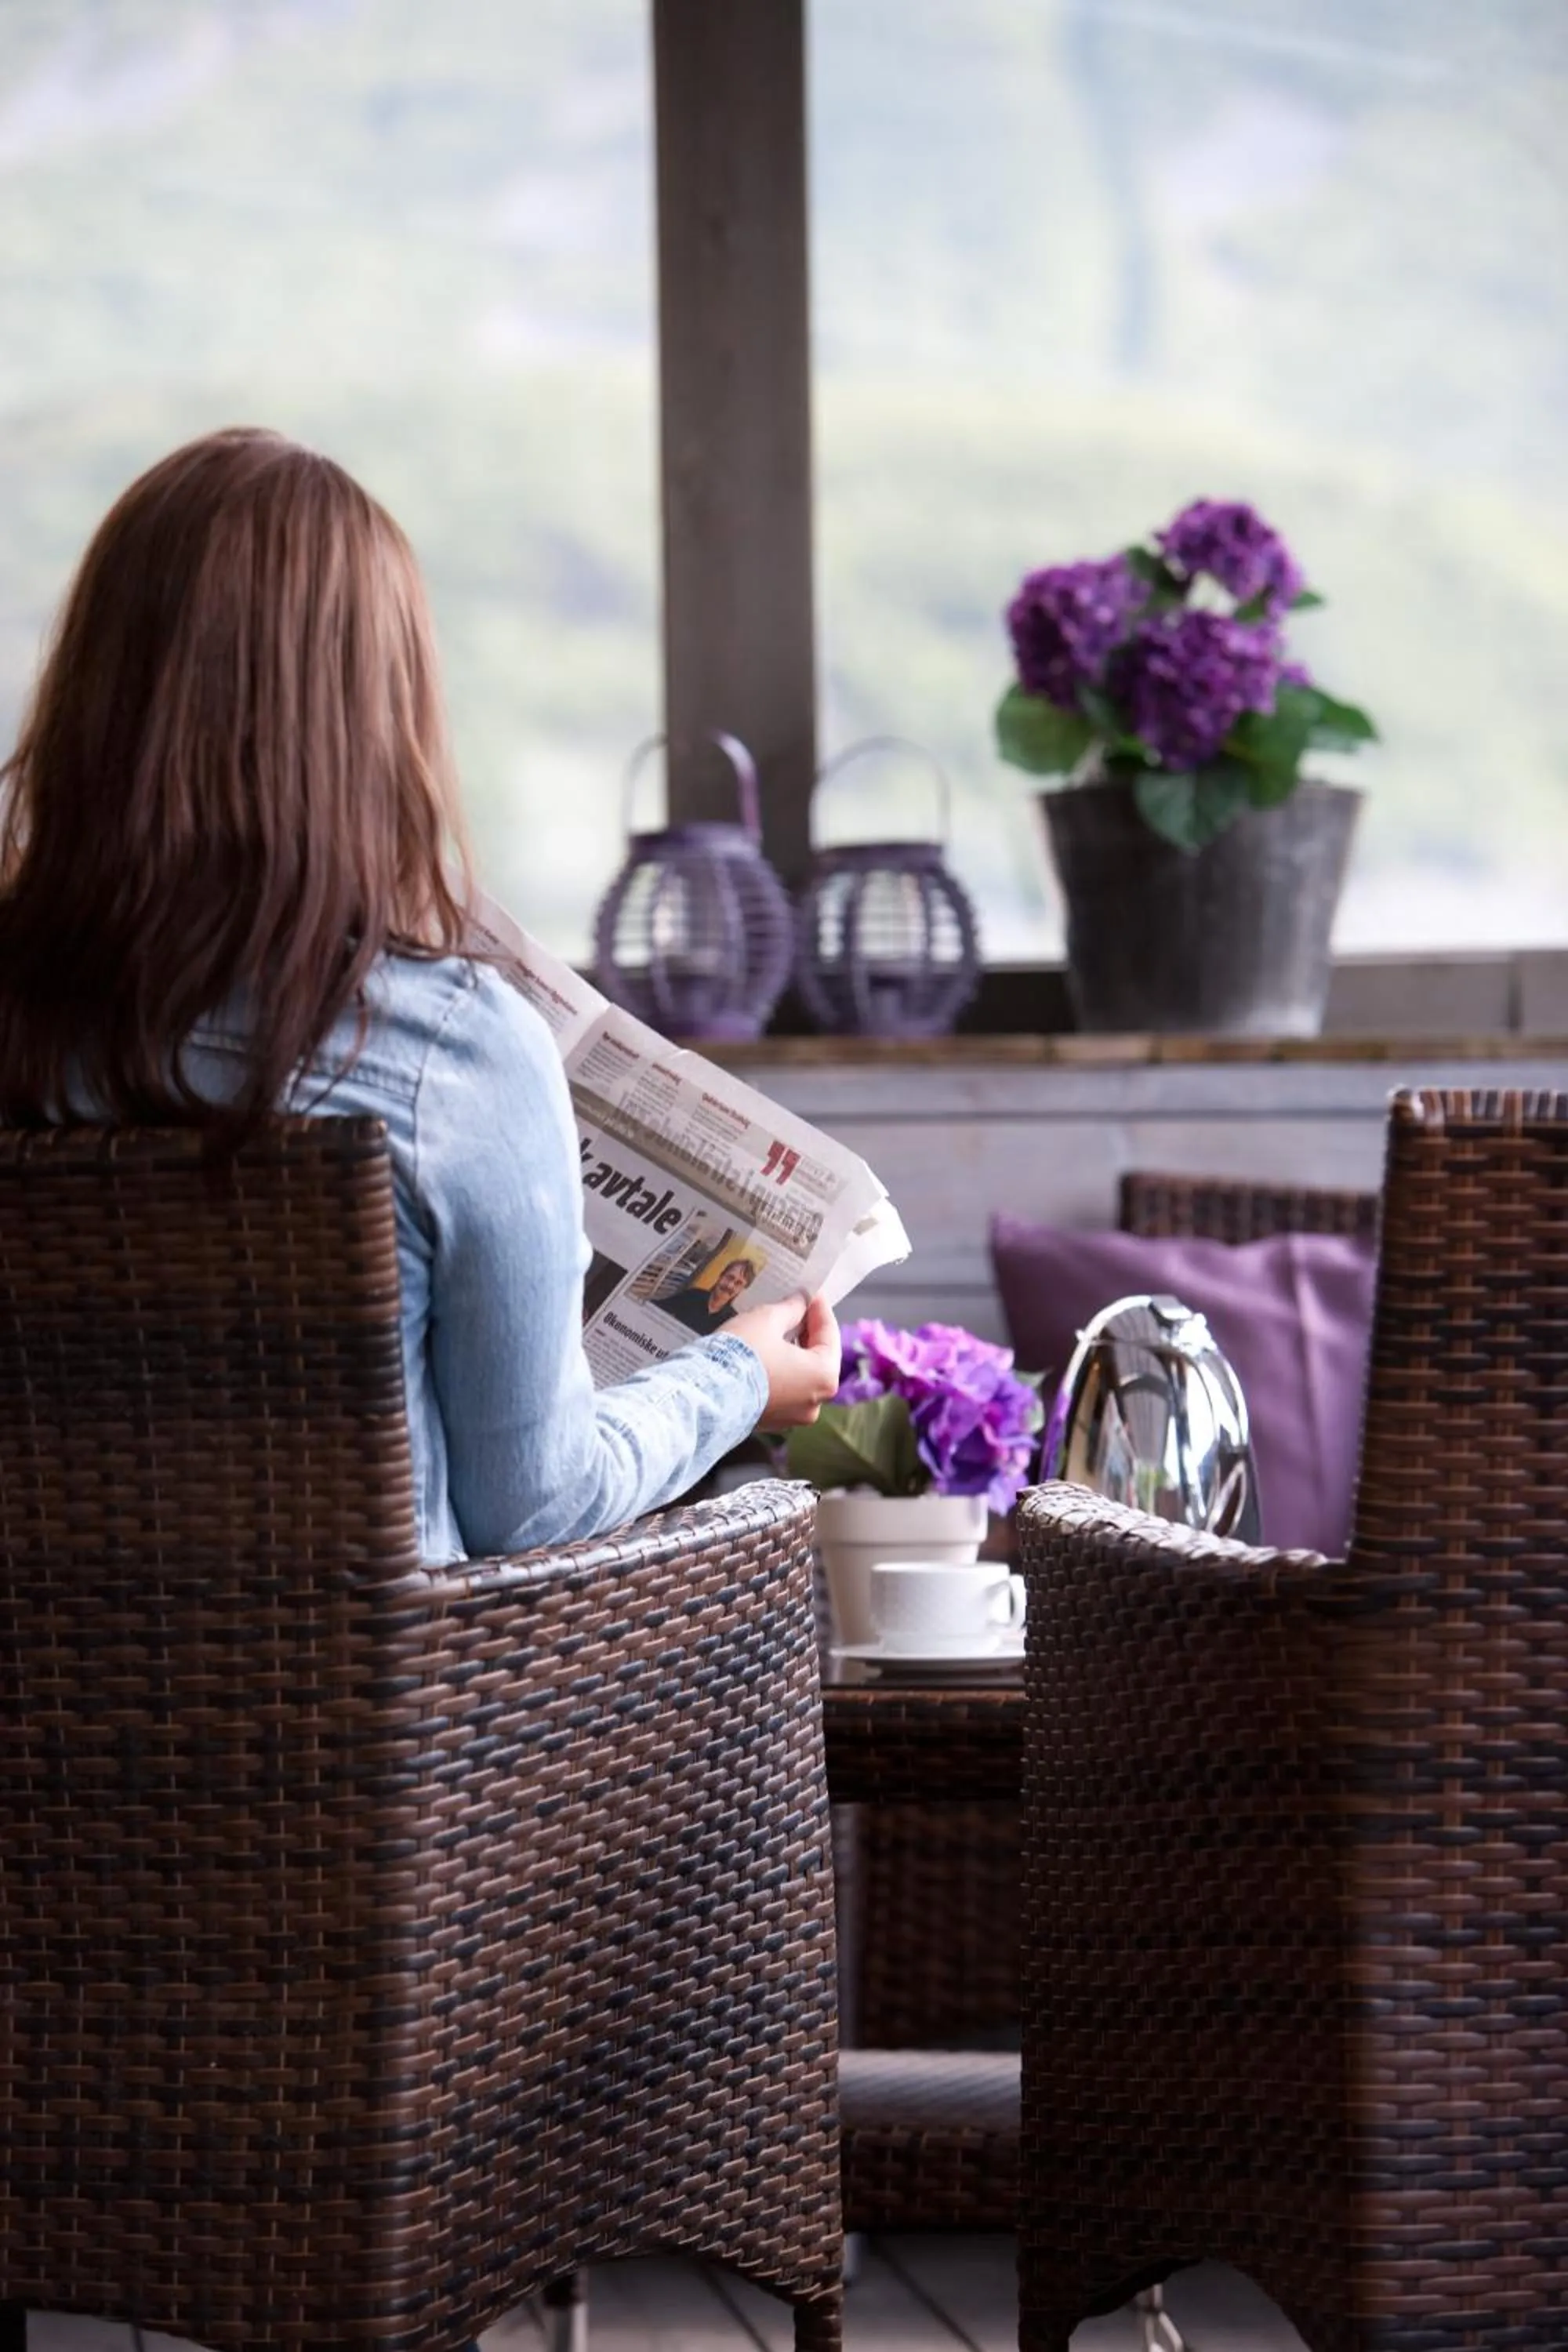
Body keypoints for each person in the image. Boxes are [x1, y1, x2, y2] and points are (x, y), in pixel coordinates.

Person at [0, 427, 840, 1561]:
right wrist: (738, 1374)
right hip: (374, 1727)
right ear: (368, 722)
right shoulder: (451, 1049)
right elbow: (532, 1502)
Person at [657, 1254, 757, 1334]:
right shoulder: (692, 1295)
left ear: (742, 1290)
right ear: (721, 1276)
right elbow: (658, 1307)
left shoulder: (734, 1323)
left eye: (738, 1283)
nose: (730, 1286)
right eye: (730, 1277)